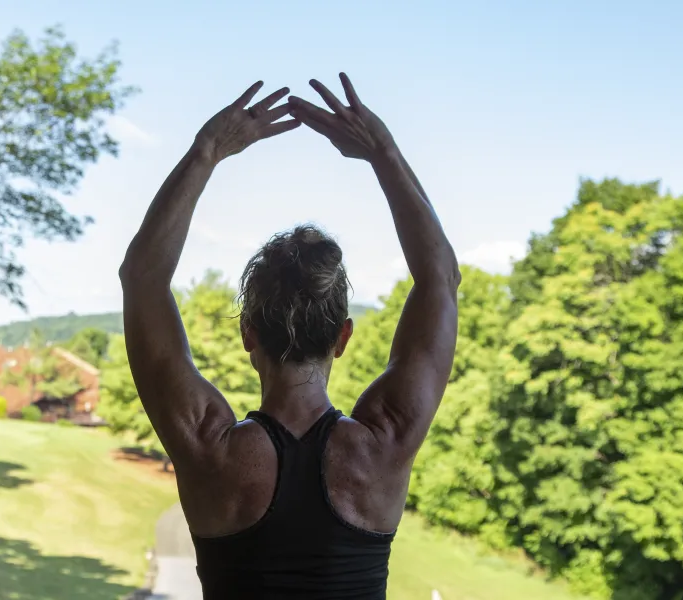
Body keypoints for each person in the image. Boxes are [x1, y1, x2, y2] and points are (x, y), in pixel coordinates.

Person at [119, 74, 460, 599]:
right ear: (342, 337)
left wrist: (207, 150)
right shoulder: (383, 444)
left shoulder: (208, 447)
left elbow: (142, 278)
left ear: (248, 335)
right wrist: (382, 152)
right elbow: (439, 278)